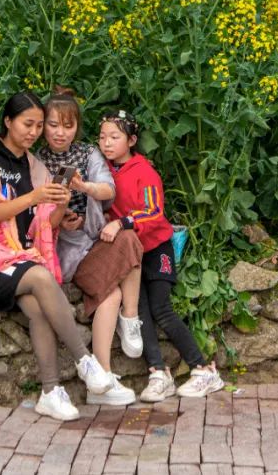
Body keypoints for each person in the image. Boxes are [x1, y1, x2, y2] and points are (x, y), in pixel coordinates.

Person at [0, 90, 114, 421]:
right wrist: (33, 197)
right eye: (28, 124)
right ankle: (86, 361)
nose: (33, 132)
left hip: (23, 257)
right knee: (41, 276)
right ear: (7, 121)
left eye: (38, 126)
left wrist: (59, 202)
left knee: (40, 312)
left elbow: (45, 226)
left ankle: (50, 392)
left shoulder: (36, 166)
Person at [94, 109, 224, 402]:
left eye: (115, 137)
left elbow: (154, 212)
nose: (107, 143)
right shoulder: (103, 170)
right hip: (129, 252)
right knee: (138, 312)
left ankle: (203, 370)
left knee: (160, 308)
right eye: (102, 137)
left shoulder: (144, 171)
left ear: (132, 140)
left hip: (155, 247)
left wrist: (123, 222)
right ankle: (158, 373)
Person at [35, 88, 141, 406]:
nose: (60, 133)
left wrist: (83, 187)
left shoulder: (88, 153)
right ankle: (104, 375)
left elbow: (107, 189)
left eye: (67, 126)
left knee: (128, 237)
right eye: (53, 125)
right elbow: (33, 217)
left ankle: (129, 323)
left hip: (94, 239)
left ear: (76, 128)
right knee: (112, 292)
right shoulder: (36, 161)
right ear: (43, 126)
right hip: (64, 251)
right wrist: (59, 219)